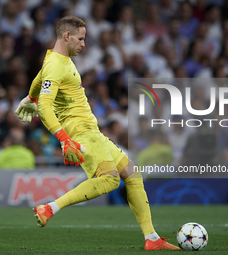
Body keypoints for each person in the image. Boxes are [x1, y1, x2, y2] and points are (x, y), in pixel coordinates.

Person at [14, 16, 179, 251]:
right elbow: (45, 106)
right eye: (81, 39)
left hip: (92, 131)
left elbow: (40, 79)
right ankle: (50, 207)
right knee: (110, 179)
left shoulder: (55, 58)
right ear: (67, 36)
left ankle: (151, 238)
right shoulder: (57, 65)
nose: (83, 44)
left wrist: (30, 97)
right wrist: (64, 138)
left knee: (132, 174)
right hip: (81, 131)